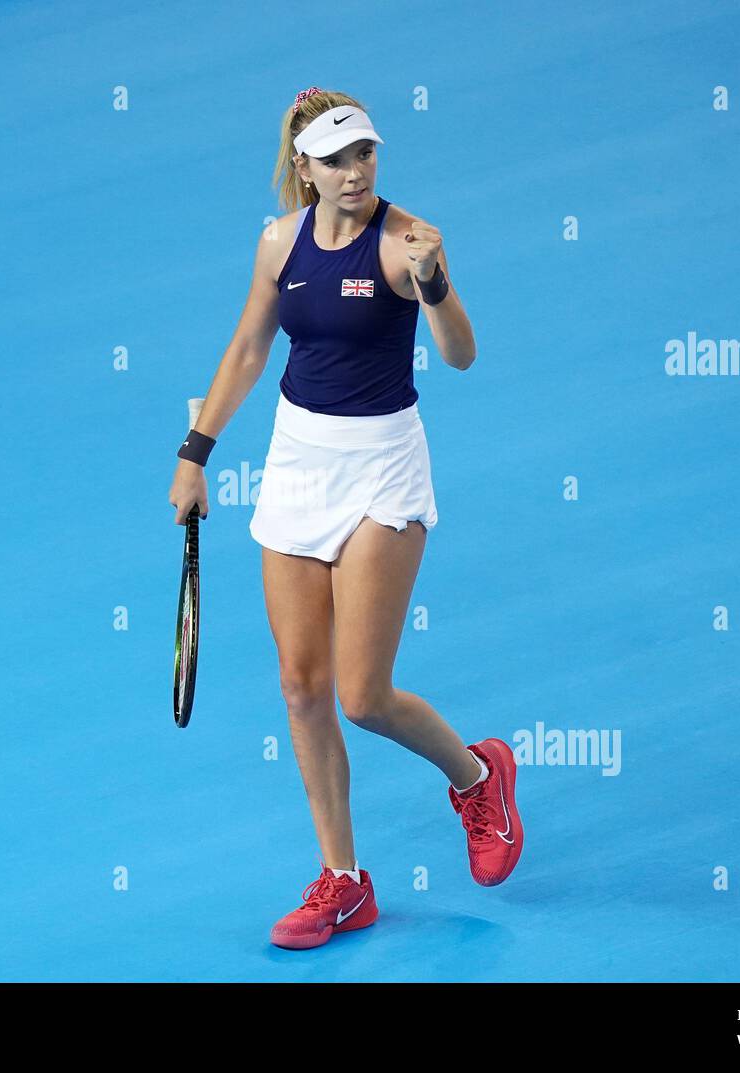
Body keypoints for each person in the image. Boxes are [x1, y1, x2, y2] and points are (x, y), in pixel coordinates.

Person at [169, 87, 523, 950]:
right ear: (306, 169)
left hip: (382, 470)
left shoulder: (407, 244)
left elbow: (462, 354)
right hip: (297, 463)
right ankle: (344, 881)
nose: (356, 171)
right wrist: (196, 449)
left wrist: (436, 283)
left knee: (361, 694)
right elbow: (252, 347)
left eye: (365, 153)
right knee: (300, 685)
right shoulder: (277, 243)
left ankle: (479, 776)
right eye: (337, 159)